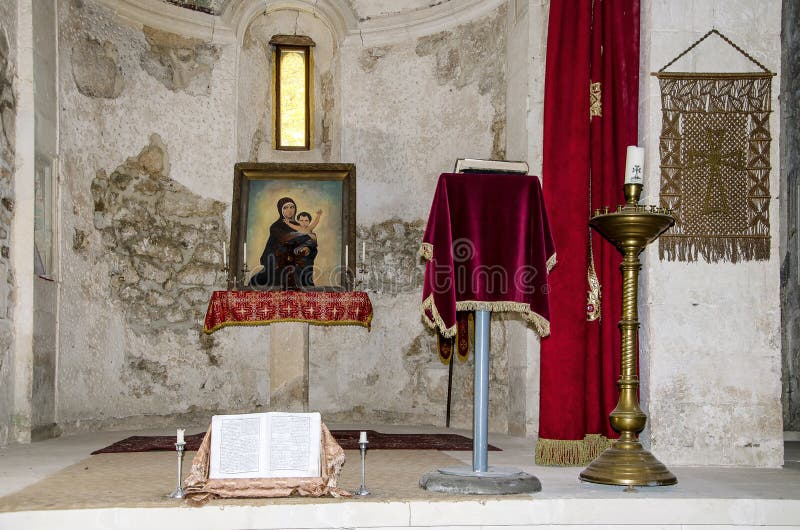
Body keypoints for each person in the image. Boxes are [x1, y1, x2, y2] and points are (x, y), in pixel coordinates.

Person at [249, 197, 319, 289]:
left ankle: (305, 285)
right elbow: (285, 238)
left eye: (292, 207)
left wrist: (308, 247)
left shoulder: (298, 225)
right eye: (285, 208)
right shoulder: (276, 226)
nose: (289, 210)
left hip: (296, 255)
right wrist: (304, 235)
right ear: (280, 210)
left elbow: (311, 240)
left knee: (309, 253)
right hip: (278, 257)